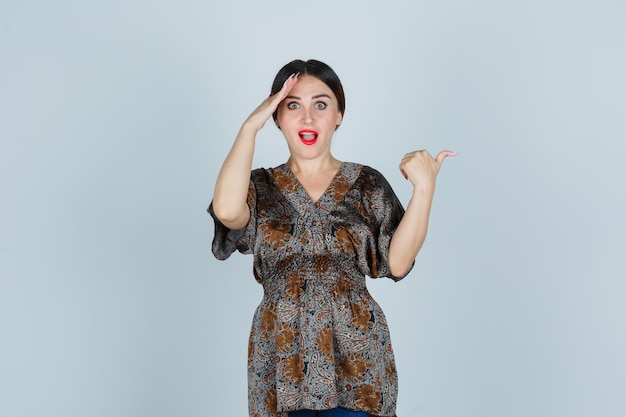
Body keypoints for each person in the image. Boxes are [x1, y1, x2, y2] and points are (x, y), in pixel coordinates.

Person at [208, 59, 455, 417]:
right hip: (281, 354)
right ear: (276, 115)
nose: (307, 118)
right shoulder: (258, 187)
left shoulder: (366, 183)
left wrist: (425, 187)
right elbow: (228, 211)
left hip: (357, 355)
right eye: (293, 105)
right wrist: (249, 126)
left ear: (339, 114)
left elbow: (398, 262)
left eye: (320, 104)